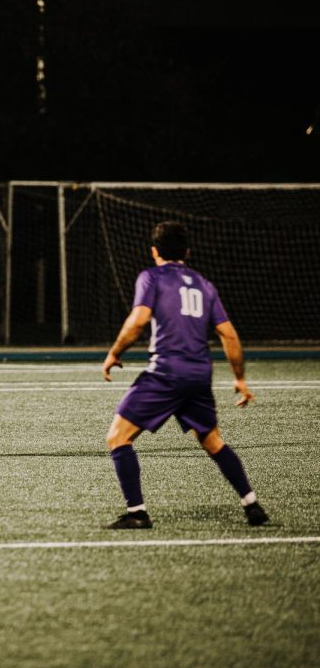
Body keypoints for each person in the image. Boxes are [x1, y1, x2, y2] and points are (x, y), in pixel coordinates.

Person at [101, 220, 269, 529]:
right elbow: (229, 335)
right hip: (198, 375)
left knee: (117, 437)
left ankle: (137, 513)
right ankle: (252, 505)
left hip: (166, 372)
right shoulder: (204, 284)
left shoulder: (151, 278)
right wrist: (240, 379)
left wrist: (115, 353)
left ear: (154, 251)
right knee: (213, 441)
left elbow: (138, 321)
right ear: (187, 252)